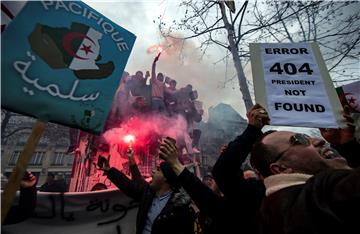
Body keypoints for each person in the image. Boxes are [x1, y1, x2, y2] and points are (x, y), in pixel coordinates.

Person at [250, 116, 360, 233]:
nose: (319, 140)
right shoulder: (320, 193)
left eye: (308, 137)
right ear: (281, 168)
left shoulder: (271, 214)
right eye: (299, 140)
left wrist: (347, 145)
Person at [97, 148, 195, 234]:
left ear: (166, 177)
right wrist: (109, 171)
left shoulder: (180, 208)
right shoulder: (148, 194)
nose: (153, 171)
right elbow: (129, 185)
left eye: (158, 170)